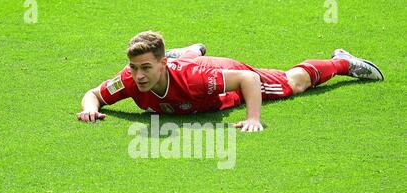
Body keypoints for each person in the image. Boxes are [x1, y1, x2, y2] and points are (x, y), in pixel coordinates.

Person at [78, 31, 384, 132]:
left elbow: (248, 78)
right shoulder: (130, 80)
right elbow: (94, 94)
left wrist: (253, 118)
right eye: (134, 67)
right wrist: (90, 109)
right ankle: (188, 51)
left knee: (294, 84)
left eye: (145, 67)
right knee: (170, 65)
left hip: (223, 74)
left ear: (161, 63)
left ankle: (343, 61)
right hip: (183, 65)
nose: (138, 75)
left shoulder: (199, 79)